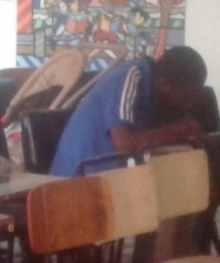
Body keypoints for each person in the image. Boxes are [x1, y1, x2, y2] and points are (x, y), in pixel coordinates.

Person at [49, 46, 210, 177]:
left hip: (112, 176)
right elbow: (124, 146)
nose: (189, 105)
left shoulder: (162, 96)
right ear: (164, 86)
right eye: (186, 98)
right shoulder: (130, 76)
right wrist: (178, 131)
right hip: (75, 182)